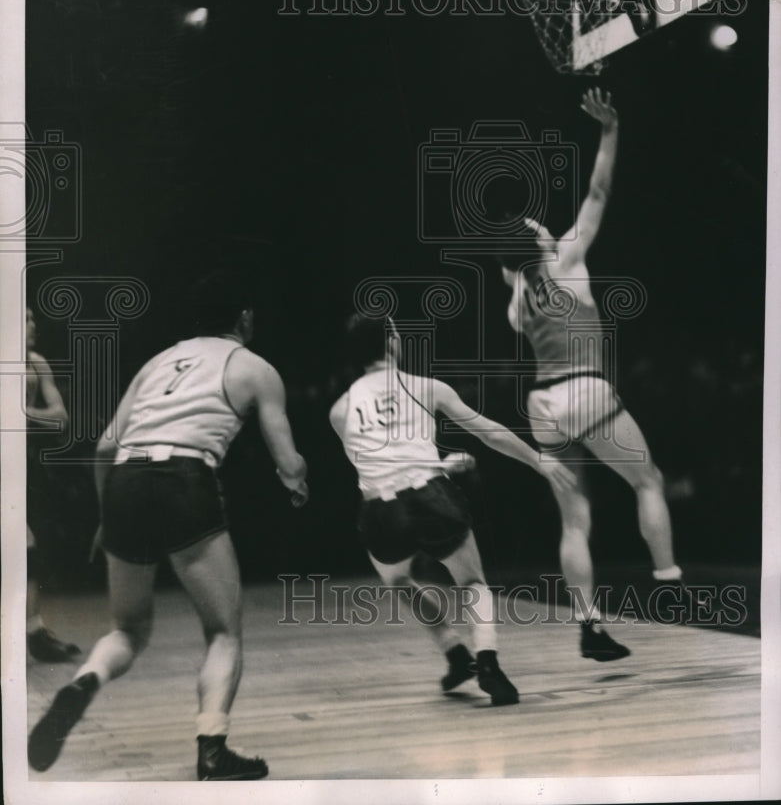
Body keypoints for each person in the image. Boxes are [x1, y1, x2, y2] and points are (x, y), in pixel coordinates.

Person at [28, 273, 308, 780]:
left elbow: (107, 447)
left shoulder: (158, 361)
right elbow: (286, 459)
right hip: (184, 478)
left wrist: (104, 517)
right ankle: (213, 748)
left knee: (128, 629)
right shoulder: (254, 367)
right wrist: (297, 482)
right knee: (224, 631)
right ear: (244, 317)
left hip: (124, 482)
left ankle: (83, 682)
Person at [499, 87, 686, 662]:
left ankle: (589, 624)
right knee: (648, 480)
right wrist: (609, 130)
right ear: (538, 242)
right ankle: (669, 579)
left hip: (542, 405)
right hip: (585, 389)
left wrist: (514, 257)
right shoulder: (567, 262)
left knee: (574, 519)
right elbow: (598, 190)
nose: (547, 226)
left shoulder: (516, 300)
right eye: (539, 226)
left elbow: (514, 271)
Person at [329, 313, 576, 706]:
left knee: (398, 582)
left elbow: (380, 464)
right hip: (430, 496)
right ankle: (489, 663)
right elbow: (489, 432)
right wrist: (537, 460)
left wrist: (438, 461)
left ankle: (453, 652)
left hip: (379, 510)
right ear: (393, 343)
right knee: (473, 583)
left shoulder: (340, 410)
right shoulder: (428, 388)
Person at [25, 307, 81, 663]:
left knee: (27, 548)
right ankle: (32, 630)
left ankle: (34, 630)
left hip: (22, 466)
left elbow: (60, 418)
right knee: (23, 546)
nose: (34, 325)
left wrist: (17, 414)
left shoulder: (36, 362)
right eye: (26, 318)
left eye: (33, 317)